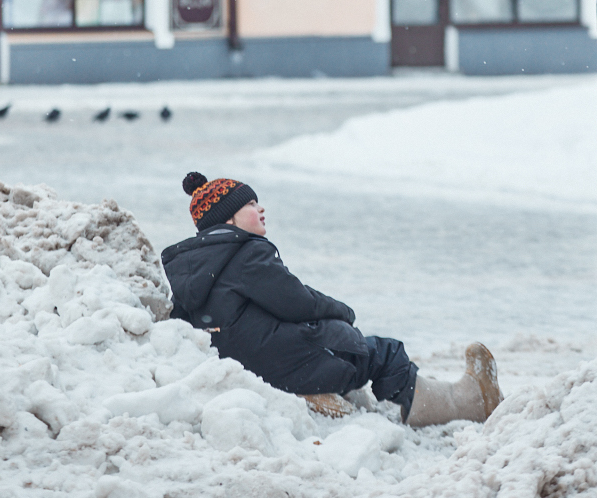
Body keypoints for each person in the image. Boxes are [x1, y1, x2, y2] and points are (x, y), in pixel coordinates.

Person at [161, 173, 503, 427]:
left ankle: (315, 390)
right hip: (282, 368)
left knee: (333, 337)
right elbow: (295, 301)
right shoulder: (246, 253)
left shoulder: (193, 268)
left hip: (249, 366)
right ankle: (460, 404)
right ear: (228, 218)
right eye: (250, 204)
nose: (261, 208)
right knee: (378, 352)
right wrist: (342, 312)